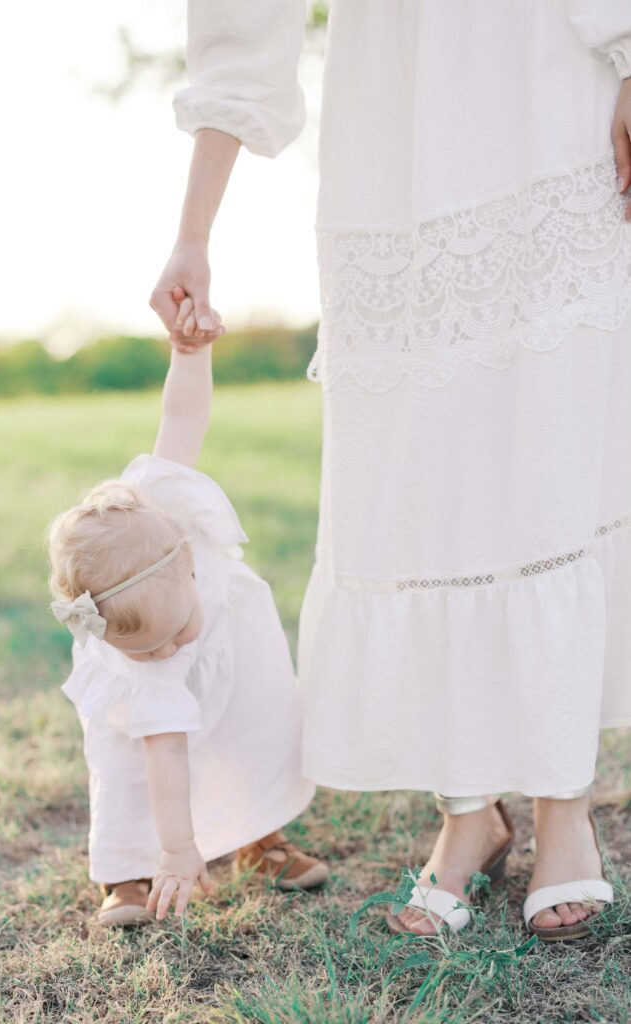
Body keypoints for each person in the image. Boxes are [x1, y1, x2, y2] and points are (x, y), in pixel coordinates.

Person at [151, 0, 631, 940]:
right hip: (395, 127)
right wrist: (193, 232)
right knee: (421, 474)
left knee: (550, 445)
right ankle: (466, 808)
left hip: (545, 83)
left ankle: (561, 800)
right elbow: (241, 22)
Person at [48, 335, 327, 926]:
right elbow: (166, 758)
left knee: (251, 735)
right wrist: (179, 850)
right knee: (125, 774)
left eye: (173, 632)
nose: (169, 651)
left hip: (237, 661)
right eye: (147, 646)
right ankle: (125, 874)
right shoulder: (144, 670)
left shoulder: (167, 507)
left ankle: (259, 839)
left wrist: (189, 350)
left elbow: (183, 414)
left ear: (188, 563)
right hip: (146, 732)